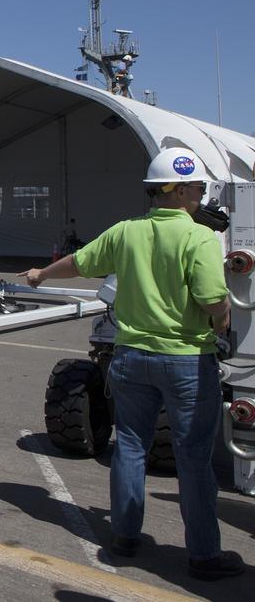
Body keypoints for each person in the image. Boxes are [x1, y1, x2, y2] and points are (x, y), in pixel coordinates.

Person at [20, 147, 243, 581]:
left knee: (131, 448)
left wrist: (41, 274)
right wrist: (223, 322)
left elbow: (80, 263)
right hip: (186, 363)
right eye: (197, 187)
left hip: (131, 358)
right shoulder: (198, 237)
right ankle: (203, 556)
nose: (201, 194)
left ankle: (124, 537)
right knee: (194, 459)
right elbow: (213, 298)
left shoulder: (126, 232)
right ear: (178, 190)